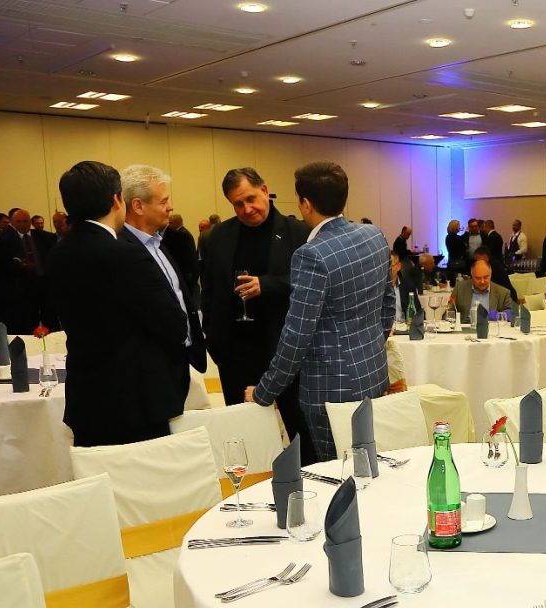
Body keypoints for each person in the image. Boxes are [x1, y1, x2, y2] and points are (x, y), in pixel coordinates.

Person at [245, 161, 394, 459]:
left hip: (331, 390)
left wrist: (264, 392)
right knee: (371, 465)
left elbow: (296, 336)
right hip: (375, 373)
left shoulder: (311, 255)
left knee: (338, 471)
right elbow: (388, 305)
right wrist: (368, 348)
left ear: (305, 203)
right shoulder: (374, 235)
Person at [45, 160, 188, 447]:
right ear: (116, 200)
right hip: (135, 402)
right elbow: (173, 325)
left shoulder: (59, 253)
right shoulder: (126, 255)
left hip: (86, 397)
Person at [200, 167, 313, 460]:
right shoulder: (218, 237)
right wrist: (214, 340)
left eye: (251, 199)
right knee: (244, 438)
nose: (247, 209)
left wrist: (268, 285)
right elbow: (209, 291)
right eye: (238, 204)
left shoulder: (298, 233)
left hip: (285, 349)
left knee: (300, 431)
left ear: (264, 190)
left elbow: (309, 285)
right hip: (236, 353)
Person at [118, 164, 206, 401]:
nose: (170, 207)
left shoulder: (159, 243)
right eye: (163, 201)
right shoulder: (121, 250)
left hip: (178, 361)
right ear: (138, 206)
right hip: (150, 370)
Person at [161, 212, 200, 300]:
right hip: (188, 273)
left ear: (176, 222)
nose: (168, 225)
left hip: (187, 273)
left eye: (170, 222)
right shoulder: (182, 233)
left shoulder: (182, 234)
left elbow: (188, 256)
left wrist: (190, 274)